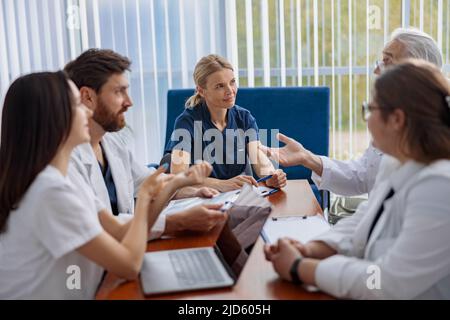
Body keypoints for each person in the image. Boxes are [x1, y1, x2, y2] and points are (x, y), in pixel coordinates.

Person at [0, 71, 213, 299]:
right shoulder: (49, 191)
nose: (87, 111)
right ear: (52, 118)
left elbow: (121, 231)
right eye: (77, 105)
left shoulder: (59, 180)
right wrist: (143, 197)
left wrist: (173, 186)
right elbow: (129, 264)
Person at [264, 60, 450, 299]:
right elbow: (361, 224)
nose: (367, 119)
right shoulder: (395, 163)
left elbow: (384, 282)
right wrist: (309, 249)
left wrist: (301, 268)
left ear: (397, 119)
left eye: (370, 109)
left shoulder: (439, 187)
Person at [260, 27, 443, 197]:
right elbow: (362, 177)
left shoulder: (434, 159)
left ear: (417, 70)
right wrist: (307, 158)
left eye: (387, 60)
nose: (376, 69)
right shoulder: (392, 124)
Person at [64, 49, 227, 239]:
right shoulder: (67, 162)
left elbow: (148, 183)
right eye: (119, 92)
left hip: (129, 246)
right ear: (88, 97)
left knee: (220, 223)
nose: (129, 102)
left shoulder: (112, 143)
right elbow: (104, 230)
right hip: (101, 262)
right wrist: (177, 221)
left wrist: (193, 190)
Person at [165, 54, 287, 192]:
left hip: (236, 198)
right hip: (199, 200)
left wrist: (271, 175)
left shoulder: (244, 118)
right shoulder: (186, 122)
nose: (230, 91)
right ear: (201, 91)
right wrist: (222, 184)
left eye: (232, 82)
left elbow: (259, 160)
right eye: (219, 86)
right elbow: (178, 177)